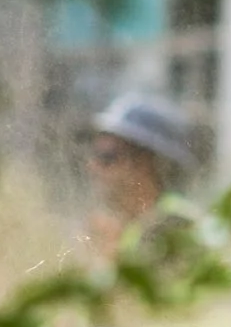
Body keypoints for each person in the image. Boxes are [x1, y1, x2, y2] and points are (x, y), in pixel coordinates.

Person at [83, 92, 197, 249]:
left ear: (144, 163)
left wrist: (113, 256)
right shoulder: (133, 227)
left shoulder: (174, 224)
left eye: (106, 157)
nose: (92, 167)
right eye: (94, 155)